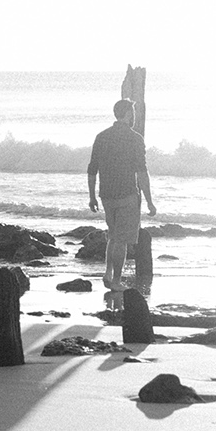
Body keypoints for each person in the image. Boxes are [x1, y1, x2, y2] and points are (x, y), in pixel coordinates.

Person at [86, 98, 156, 291]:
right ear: (127, 114)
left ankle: (108, 274)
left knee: (113, 236)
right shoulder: (135, 139)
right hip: (127, 195)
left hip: (106, 195)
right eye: (132, 113)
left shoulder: (101, 137)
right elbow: (142, 173)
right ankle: (116, 282)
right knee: (121, 240)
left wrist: (92, 196)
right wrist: (150, 202)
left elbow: (92, 169)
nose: (134, 117)